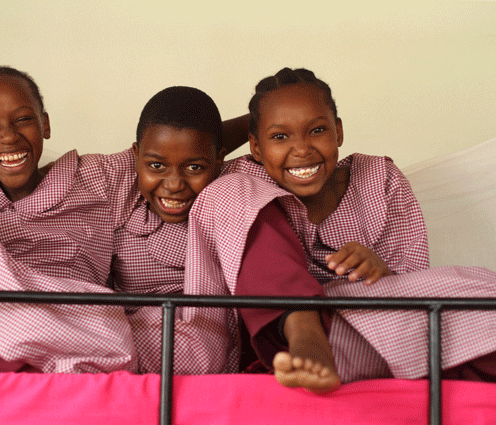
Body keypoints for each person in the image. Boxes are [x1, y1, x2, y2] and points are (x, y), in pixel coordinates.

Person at [0, 69, 255, 375]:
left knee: (82, 340)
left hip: (52, 321)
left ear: (45, 125)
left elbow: (179, 144)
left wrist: (261, 121)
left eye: (23, 121)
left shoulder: (95, 178)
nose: (9, 138)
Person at [186, 67, 496, 391]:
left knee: (480, 288)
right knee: (225, 192)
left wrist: (380, 269)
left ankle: (322, 357)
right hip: (272, 340)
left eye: (317, 130)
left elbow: (414, 293)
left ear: (339, 132)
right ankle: (304, 331)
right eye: (279, 136)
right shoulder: (240, 179)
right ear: (256, 147)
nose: (302, 149)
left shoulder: (380, 179)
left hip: (363, 333)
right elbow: (176, 140)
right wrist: (257, 112)